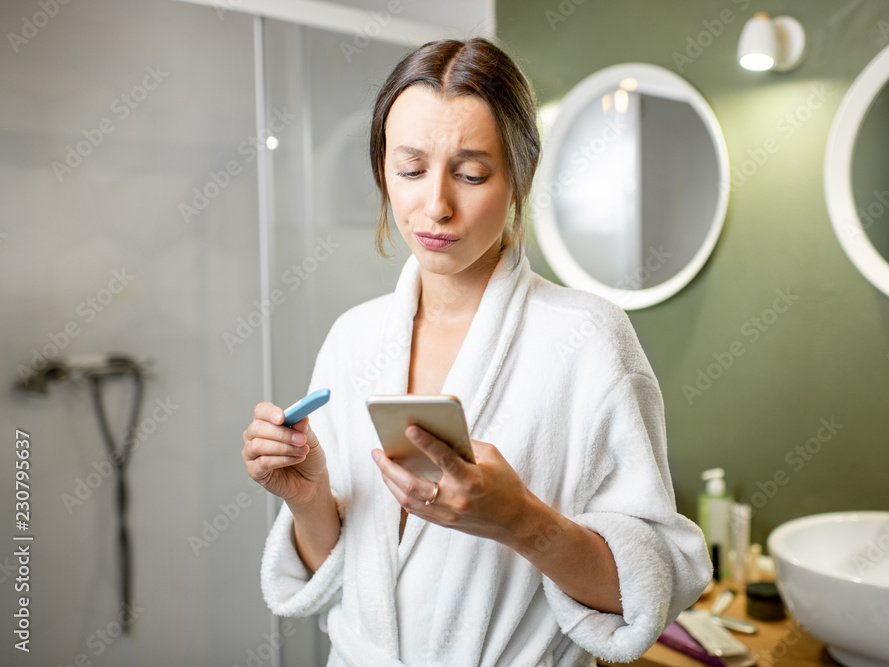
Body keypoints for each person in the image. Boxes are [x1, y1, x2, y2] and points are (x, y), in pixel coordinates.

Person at [242, 37, 711, 666]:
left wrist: (520, 520)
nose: (434, 205)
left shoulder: (587, 338)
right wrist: (306, 495)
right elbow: (343, 570)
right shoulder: (354, 337)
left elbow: (658, 579)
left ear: (519, 176)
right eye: (410, 170)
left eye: (470, 173)